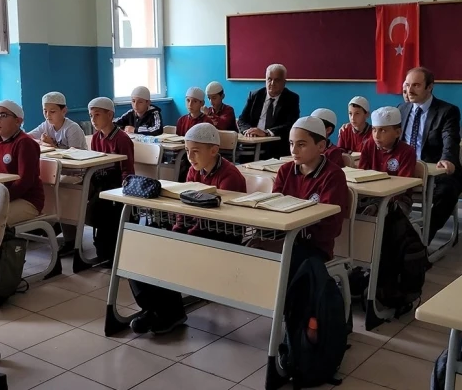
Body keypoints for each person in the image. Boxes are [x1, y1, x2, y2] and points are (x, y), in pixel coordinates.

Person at [129, 124, 246, 335]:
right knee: (142, 246)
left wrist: (185, 236)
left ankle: (170, 313)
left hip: (221, 235)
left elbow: (220, 219)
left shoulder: (230, 176)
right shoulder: (193, 170)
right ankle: (152, 309)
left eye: (195, 151)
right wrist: (177, 228)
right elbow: (185, 205)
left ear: (213, 150)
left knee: (168, 255)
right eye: (187, 150)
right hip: (196, 230)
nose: (190, 157)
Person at [399, 67, 462, 242]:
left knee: (447, 192)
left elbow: (450, 138)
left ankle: (421, 238)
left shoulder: (447, 111)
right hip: (405, 170)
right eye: (407, 85)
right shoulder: (401, 109)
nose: (410, 90)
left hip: (435, 170)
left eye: (416, 85)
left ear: (429, 87)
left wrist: (447, 158)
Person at [272, 116, 348, 261]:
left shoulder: (333, 175)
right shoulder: (285, 170)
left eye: (301, 145)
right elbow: (274, 207)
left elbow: (331, 225)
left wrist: (296, 231)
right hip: (284, 239)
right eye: (291, 143)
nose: (294, 150)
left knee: (283, 261)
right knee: (250, 251)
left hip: (314, 248)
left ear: (321, 146)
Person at [88, 97, 135, 262]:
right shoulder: (96, 137)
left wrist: (122, 190)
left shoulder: (122, 139)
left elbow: (127, 170)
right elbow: (94, 165)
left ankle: (110, 250)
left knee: (103, 207)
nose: (93, 120)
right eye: (91, 116)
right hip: (101, 183)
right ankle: (101, 247)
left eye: (97, 115)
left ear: (110, 115)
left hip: (116, 185)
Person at [0, 100, 44, 226]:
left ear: (18, 121)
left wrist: (1, 199)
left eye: (3, 115)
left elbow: (25, 181)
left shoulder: (25, 143)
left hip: (27, 199)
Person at [358, 106, 417, 215]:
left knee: (388, 212)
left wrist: (380, 201)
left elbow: (402, 185)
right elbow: (361, 174)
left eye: (383, 130)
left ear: (397, 132)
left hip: (398, 198)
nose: (376, 135)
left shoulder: (407, 151)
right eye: (374, 130)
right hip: (371, 194)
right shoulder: (369, 145)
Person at [237, 63, 300, 158]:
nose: (272, 83)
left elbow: (291, 124)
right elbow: (242, 119)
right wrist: (248, 131)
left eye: (277, 80)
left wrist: (266, 132)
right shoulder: (255, 95)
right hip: (252, 144)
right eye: (269, 79)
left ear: (284, 82)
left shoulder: (291, 98)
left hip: (276, 147)